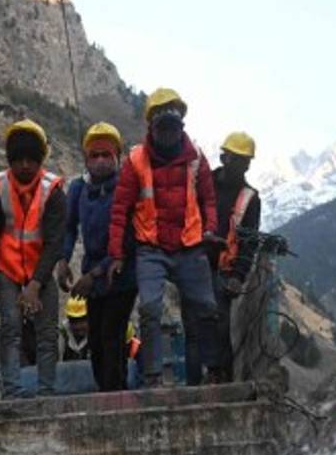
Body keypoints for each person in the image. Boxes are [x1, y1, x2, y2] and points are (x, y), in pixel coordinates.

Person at [108, 88, 221, 387]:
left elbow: (209, 199)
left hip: (190, 245)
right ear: (151, 127)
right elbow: (120, 209)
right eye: (162, 127)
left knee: (207, 307)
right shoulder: (135, 160)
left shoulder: (196, 157)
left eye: (173, 126)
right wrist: (117, 254)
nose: (168, 133)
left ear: (181, 126)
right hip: (151, 248)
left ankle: (214, 371)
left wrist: (210, 229)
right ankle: (153, 376)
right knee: (149, 309)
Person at [0, 120, 66, 398]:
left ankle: (47, 392)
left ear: (40, 160)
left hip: (40, 271)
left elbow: (54, 243)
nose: (25, 166)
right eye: (19, 160)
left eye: (31, 160)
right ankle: (12, 392)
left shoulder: (53, 191)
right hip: (8, 271)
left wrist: (36, 285)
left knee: (47, 334)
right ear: (10, 160)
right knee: (11, 328)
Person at [57, 122, 137, 391]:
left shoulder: (126, 188)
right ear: (86, 159)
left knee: (112, 336)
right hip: (93, 275)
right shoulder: (79, 188)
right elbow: (68, 227)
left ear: (117, 157)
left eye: (107, 155)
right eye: (95, 155)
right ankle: (108, 391)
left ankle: (115, 397)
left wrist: (94, 275)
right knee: (97, 342)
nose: (101, 161)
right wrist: (63, 260)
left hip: (121, 275)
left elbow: (128, 239)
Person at [185, 131, 261, 384]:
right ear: (224, 157)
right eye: (235, 158)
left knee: (219, 327)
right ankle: (194, 385)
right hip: (194, 264)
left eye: (244, 160)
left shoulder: (250, 198)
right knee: (193, 330)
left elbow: (249, 243)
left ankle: (220, 379)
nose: (239, 165)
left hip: (224, 271)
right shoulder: (202, 183)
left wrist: (238, 276)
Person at [59, 296, 91, 361]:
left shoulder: (97, 332)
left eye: (82, 321)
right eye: (74, 322)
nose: (78, 326)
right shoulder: (63, 331)